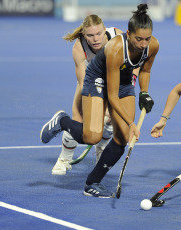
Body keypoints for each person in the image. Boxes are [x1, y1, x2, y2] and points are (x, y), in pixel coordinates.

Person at [40, 4, 159, 198]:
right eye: (139, 39)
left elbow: (145, 70)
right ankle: (62, 121)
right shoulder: (115, 49)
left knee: (121, 139)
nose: (144, 44)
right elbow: (111, 96)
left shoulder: (152, 45)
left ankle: (92, 183)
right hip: (97, 79)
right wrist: (130, 123)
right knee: (92, 136)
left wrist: (144, 93)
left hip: (124, 81)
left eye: (147, 38)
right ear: (128, 34)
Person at [52, 14, 140, 175]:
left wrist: (132, 79)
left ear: (104, 29)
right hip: (90, 82)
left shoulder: (118, 37)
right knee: (79, 119)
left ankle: (101, 150)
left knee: (113, 121)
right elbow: (83, 82)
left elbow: (136, 61)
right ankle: (64, 159)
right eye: (90, 35)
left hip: (116, 81)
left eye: (99, 33)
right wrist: (102, 104)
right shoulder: (79, 48)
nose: (95, 39)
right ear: (84, 35)